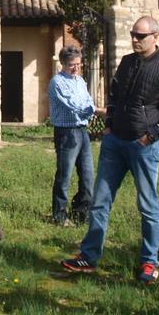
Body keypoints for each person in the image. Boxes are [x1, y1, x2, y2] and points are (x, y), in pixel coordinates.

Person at [61, 16, 159, 283]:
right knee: (100, 201)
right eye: (133, 35)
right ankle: (88, 256)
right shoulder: (126, 63)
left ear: (156, 37)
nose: (135, 40)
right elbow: (114, 95)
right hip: (115, 143)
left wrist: (150, 136)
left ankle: (149, 262)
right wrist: (109, 126)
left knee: (148, 205)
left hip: (144, 146)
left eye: (141, 36)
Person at [48, 45, 103, 225]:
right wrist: (98, 111)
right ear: (63, 63)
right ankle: (59, 215)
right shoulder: (57, 82)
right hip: (66, 132)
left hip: (81, 130)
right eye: (72, 64)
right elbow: (75, 105)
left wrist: (91, 109)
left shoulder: (80, 81)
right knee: (65, 175)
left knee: (88, 174)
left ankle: (82, 211)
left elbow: (87, 100)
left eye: (79, 64)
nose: (76, 68)